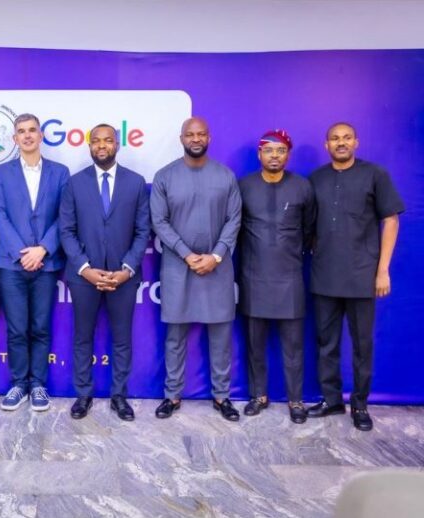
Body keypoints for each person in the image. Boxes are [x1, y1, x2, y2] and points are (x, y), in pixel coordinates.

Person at [306, 122, 404, 431]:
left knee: (362, 345)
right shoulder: (316, 179)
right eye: (335, 138)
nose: (341, 142)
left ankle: (360, 404)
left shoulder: (375, 175)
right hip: (324, 275)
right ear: (327, 145)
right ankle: (332, 400)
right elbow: (309, 225)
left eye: (347, 137)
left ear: (356, 142)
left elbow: (391, 220)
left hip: (363, 275)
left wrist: (382, 270)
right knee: (326, 343)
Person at [150, 117, 242, 422]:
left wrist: (215, 256)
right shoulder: (165, 176)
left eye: (201, 134)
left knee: (221, 337)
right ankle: (172, 396)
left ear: (209, 138)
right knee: (175, 337)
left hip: (217, 268)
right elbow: (159, 221)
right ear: (181, 138)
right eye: (190, 134)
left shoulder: (225, 176)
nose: (196, 139)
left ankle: (222, 396)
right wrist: (187, 255)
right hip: (179, 269)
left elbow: (234, 220)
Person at [59, 123, 150, 421]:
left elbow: (143, 231)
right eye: (96, 141)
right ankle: (83, 395)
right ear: (89, 146)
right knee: (82, 337)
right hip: (84, 277)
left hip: (124, 278)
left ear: (117, 144)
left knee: (122, 339)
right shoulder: (75, 183)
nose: (101, 145)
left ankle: (119, 396)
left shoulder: (136, 183)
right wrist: (85, 269)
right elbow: (66, 231)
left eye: (107, 140)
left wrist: (127, 269)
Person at [0, 113, 70, 412]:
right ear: (15, 139)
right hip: (11, 264)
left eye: (32, 130)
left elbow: (64, 216)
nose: (27, 135)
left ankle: (38, 384)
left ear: (41, 135)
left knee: (40, 327)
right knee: (16, 329)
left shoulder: (60, 172)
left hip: (46, 264)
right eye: (21, 131)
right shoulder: (2, 173)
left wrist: (43, 249)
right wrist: (22, 253)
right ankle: (18, 384)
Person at [237, 129, 315, 424]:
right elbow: (236, 229)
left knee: (293, 346)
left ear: (288, 155)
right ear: (259, 154)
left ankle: (296, 400)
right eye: (268, 150)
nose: (274, 156)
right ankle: (258, 396)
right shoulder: (244, 186)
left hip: (290, 278)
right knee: (255, 344)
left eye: (280, 151)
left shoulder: (302, 187)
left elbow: (309, 229)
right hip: (254, 277)